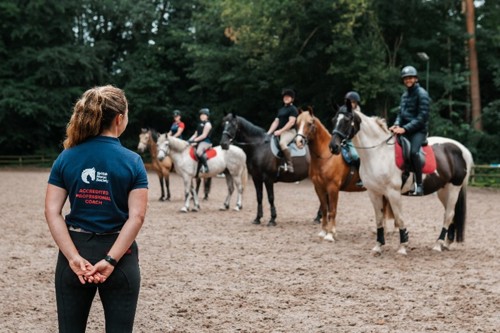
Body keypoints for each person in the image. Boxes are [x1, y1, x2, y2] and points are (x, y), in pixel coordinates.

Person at [44, 85, 149, 332]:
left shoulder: (66, 156)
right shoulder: (132, 160)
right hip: (120, 258)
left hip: (74, 255)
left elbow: (52, 211)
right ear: (119, 118)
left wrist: (73, 257)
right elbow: (137, 216)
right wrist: (111, 259)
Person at [389, 65, 430, 196]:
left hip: (418, 130)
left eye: (410, 78)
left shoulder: (422, 94)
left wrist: (405, 129)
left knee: (413, 153)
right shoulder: (405, 95)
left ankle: (419, 185)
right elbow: (400, 114)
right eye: (406, 78)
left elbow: (422, 117)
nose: (408, 80)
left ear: (416, 79)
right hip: (403, 129)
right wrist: (396, 125)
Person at [266, 88, 298, 173]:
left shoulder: (293, 109)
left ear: (292, 99)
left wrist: (280, 131)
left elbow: (291, 123)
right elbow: (276, 122)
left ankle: (290, 164)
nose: (286, 98)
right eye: (285, 96)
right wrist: (268, 133)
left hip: (290, 132)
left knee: (282, 143)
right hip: (281, 132)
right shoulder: (281, 110)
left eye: (288, 96)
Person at [344, 91, 363, 187]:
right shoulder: (344, 111)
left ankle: (361, 177)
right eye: (349, 102)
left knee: (355, 155)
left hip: (353, 139)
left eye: (353, 102)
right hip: (343, 137)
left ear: (356, 103)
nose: (351, 104)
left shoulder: (358, 114)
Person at [188, 108, 213, 174]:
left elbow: (204, 135)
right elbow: (195, 134)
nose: (202, 116)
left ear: (207, 116)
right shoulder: (199, 124)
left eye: (204, 115)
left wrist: (194, 141)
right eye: (201, 115)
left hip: (206, 141)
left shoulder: (208, 124)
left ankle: (206, 167)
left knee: (198, 152)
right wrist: (189, 141)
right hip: (199, 141)